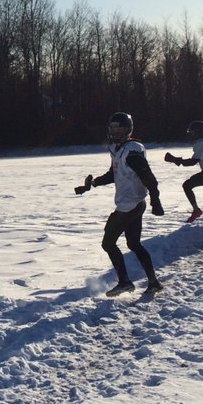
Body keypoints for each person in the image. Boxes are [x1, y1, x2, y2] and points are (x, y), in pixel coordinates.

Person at [74, 111, 164, 296]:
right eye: (112, 127)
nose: (115, 131)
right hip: (132, 203)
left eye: (119, 127)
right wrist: (93, 184)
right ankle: (153, 282)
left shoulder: (131, 151)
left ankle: (125, 282)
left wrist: (156, 200)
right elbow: (114, 173)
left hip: (129, 206)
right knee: (134, 244)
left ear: (128, 129)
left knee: (108, 243)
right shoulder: (118, 148)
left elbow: (149, 178)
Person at [164, 120, 203, 240]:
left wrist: (176, 160)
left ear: (198, 132)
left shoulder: (202, 142)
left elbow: (193, 162)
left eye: (193, 132)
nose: (191, 135)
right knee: (187, 185)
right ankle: (197, 211)